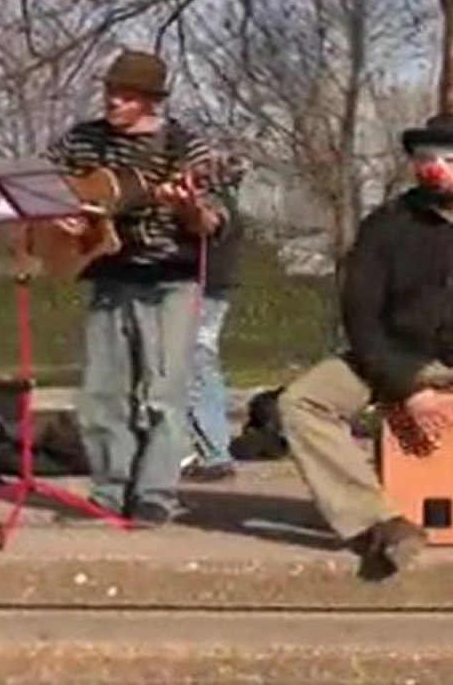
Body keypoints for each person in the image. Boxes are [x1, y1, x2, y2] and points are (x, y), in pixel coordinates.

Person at [45, 48, 228, 524]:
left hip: (170, 279)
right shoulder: (81, 142)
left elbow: (212, 223)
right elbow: (41, 186)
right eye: (110, 91)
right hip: (107, 275)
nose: (113, 102)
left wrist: (187, 207)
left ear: (151, 101)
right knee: (103, 394)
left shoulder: (185, 148)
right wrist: (58, 216)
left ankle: (156, 494)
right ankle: (108, 491)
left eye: (126, 96)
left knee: (163, 394)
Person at [277, 113, 453, 578]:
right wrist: (407, 385)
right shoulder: (387, 226)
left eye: (447, 158)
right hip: (397, 356)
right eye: (425, 158)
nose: (434, 168)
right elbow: (362, 317)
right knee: (304, 401)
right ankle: (378, 522)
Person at [183, 153, 247, 482]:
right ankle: (204, 448)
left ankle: (213, 451)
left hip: (203, 290)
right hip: (210, 289)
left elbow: (209, 222)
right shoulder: (224, 199)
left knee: (197, 362)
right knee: (196, 362)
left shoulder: (213, 202)